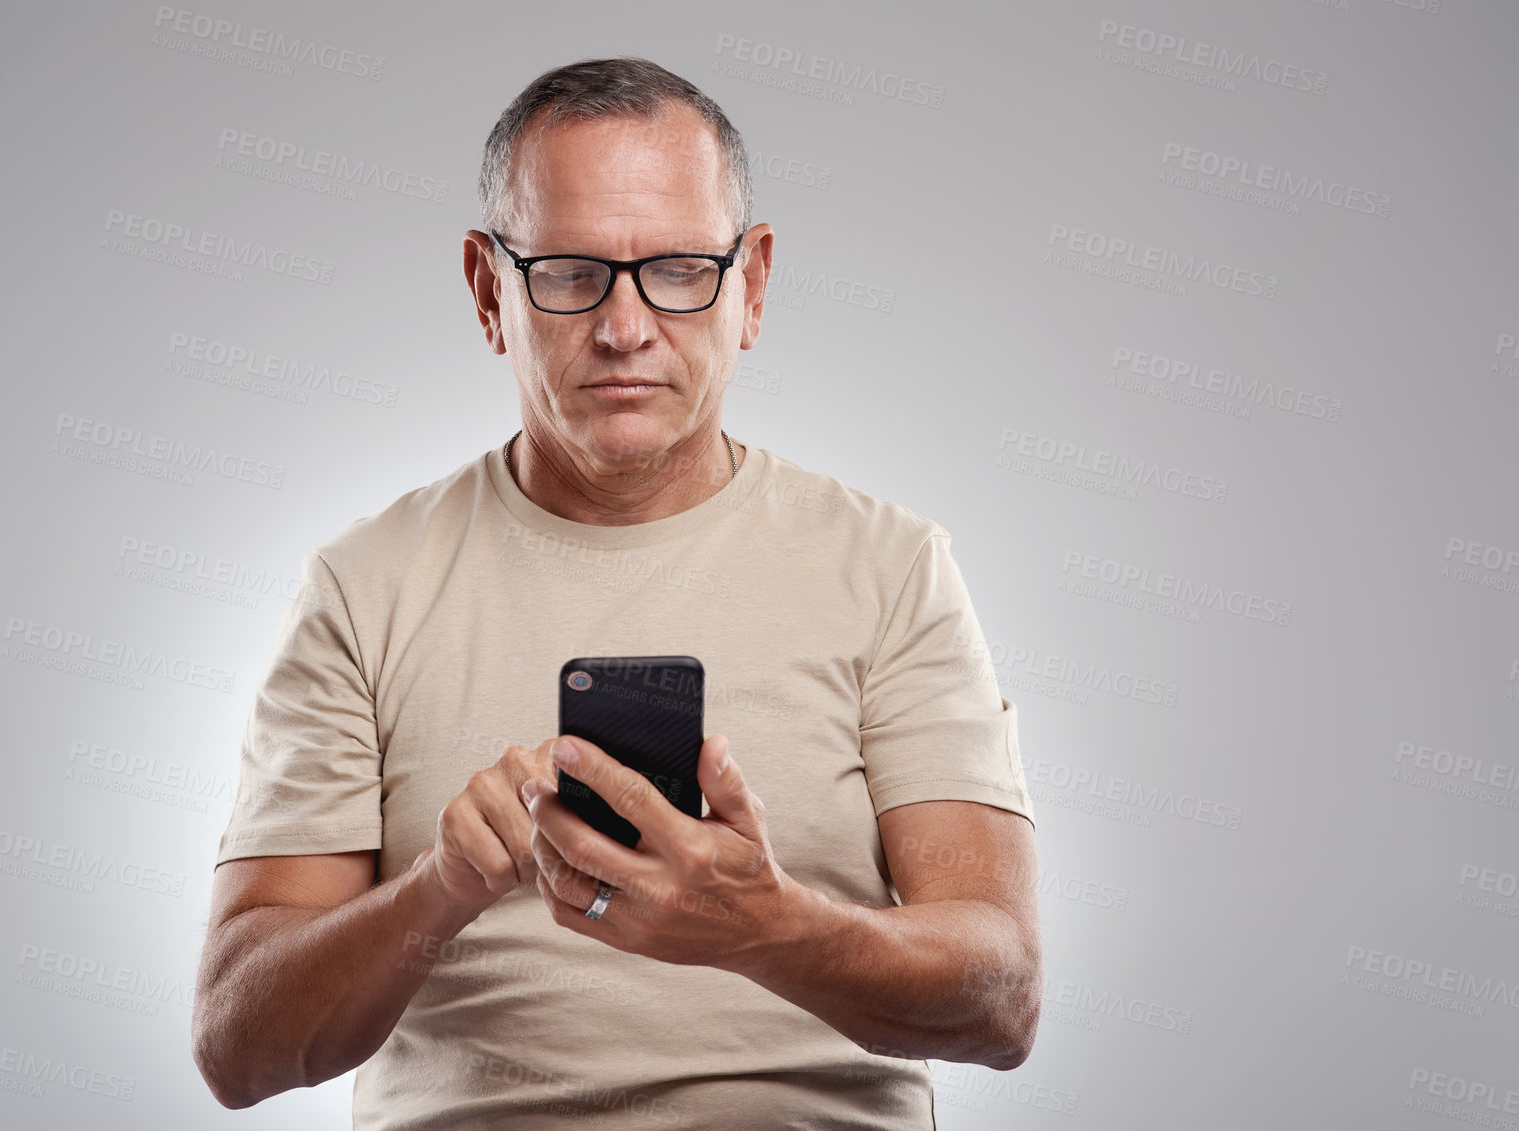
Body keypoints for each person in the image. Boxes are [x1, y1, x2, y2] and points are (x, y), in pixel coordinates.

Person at [193, 56, 1041, 1129]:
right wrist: (440, 886)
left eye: (680, 268)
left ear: (753, 286)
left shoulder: (889, 569)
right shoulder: (363, 589)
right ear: (486, 290)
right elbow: (239, 1045)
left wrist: (761, 927)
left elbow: (1001, 998)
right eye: (568, 271)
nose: (625, 327)